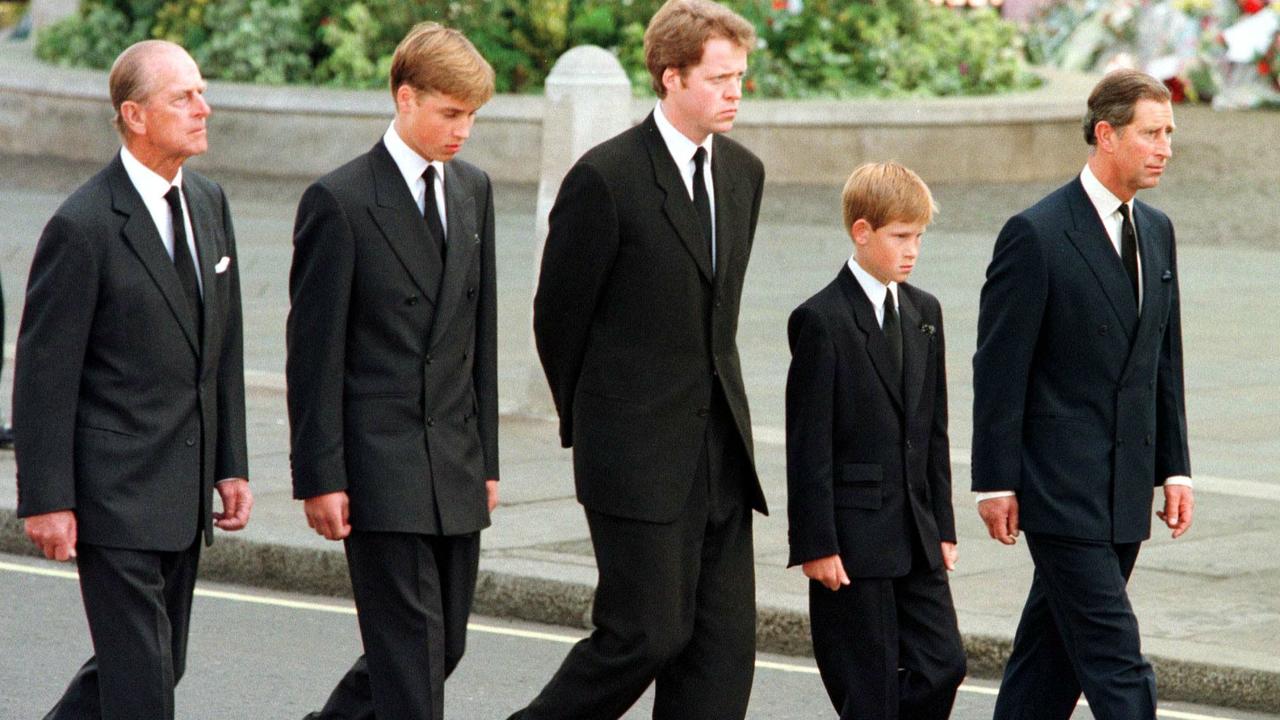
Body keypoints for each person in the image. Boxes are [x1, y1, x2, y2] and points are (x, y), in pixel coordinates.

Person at [511, 2, 768, 718]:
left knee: (721, 663)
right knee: (643, 635)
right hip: (634, 457)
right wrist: (599, 428)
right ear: (670, 77)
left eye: (741, 78)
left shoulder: (744, 174)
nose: (734, 92)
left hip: (721, 456)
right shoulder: (607, 179)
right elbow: (557, 320)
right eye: (719, 79)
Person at [14, 39, 251, 720]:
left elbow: (222, 348)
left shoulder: (210, 203)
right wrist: (46, 498)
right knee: (143, 683)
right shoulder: (83, 225)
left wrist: (230, 461)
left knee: (153, 666)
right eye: (184, 97)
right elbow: (43, 378)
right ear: (136, 115)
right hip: (111, 495)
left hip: (182, 492)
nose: (205, 108)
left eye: (202, 92)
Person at [286, 21, 499, 720]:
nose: (462, 130)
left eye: (471, 115)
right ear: (405, 98)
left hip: (456, 462)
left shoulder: (474, 191)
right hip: (380, 465)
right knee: (410, 663)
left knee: (443, 648)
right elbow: (313, 354)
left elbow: (481, 337)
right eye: (450, 113)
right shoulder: (340, 200)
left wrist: (488, 460)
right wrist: (322, 476)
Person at [972, 68, 1193, 720]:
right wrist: (994, 481)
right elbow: (1000, 367)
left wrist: (1174, 467)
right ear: (1105, 133)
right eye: (1151, 133)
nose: (1165, 147)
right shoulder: (1035, 233)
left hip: (1125, 486)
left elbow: (1163, 359)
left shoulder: (1158, 230)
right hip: (1058, 490)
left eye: (1169, 134)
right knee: (1117, 660)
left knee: (1048, 663)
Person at [785, 162, 966, 720]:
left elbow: (933, 432)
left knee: (944, 664)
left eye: (919, 237)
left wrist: (943, 526)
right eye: (900, 237)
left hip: (916, 532)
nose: (913, 251)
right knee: (867, 688)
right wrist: (816, 543)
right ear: (861, 232)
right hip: (853, 538)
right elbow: (807, 444)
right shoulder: (822, 319)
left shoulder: (924, 311)